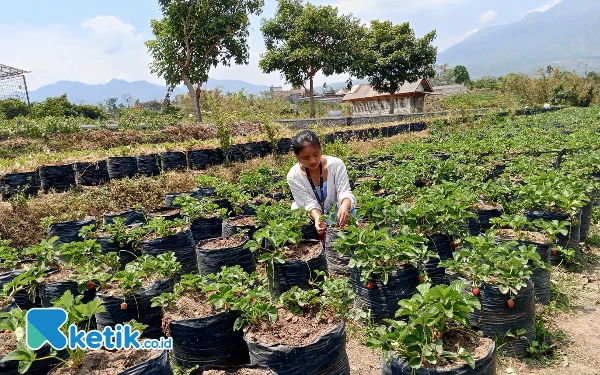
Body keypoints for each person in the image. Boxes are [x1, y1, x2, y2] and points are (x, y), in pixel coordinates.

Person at [286, 129, 357, 238]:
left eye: (315, 154)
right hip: (312, 214)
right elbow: (308, 203)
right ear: (297, 157)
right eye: (305, 158)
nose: (312, 160)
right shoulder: (293, 176)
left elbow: (345, 192)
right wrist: (318, 218)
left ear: (320, 149)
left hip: (335, 212)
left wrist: (345, 206)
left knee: (348, 212)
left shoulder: (336, 165)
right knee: (301, 219)